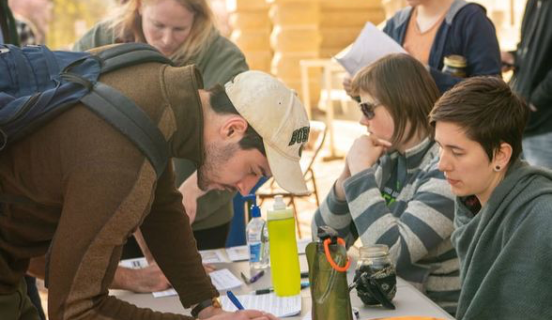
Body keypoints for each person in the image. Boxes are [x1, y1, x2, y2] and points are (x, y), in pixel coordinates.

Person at [0, 44, 310, 320]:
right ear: (232, 130)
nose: (245, 189)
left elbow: (163, 207)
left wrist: (207, 307)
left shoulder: (153, 83)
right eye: (254, 171)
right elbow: (77, 309)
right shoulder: (118, 161)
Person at [74, 0, 248, 251]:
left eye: (179, 29)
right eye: (158, 25)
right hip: (114, 217)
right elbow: (68, 100)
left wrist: (196, 186)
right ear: (139, 6)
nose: (166, 39)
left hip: (198, 219)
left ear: (197, 18)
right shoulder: (102, 39)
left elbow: (240, 137)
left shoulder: (222, 57)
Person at [312, 53, 459, 314]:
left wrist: (360, 174)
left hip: (435, 311)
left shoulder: (443, 168)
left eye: (367, 108)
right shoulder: (388, 159)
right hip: (393, 303)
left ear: (401, 103)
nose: (361, 120)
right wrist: (346, 177)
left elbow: (390, 256)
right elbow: (325, 241)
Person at [430, 76, 552, 319]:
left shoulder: (543, 218)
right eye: (440, 147)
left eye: (457, 152)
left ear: (500, 155)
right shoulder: (471, 202)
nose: (442, 164)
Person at [343, 0, 501, 95]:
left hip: (447, 142)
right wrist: (359, 87)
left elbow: (492, 90)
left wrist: (425, 75)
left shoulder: (472, 20)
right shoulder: (397, 23)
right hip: (401, 140)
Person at [501, 0, 552, 169]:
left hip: (544, 126)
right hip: (521, 121)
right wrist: (513, 57)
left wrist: (536, 100)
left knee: (543, 191)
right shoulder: (533, 3)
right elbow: (530, 50)